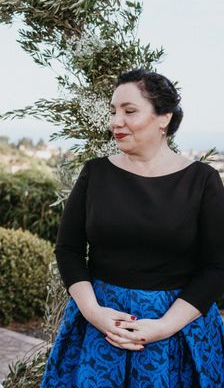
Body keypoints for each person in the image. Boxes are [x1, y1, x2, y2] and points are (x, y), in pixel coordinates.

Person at [41, 69, 224, 387]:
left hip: (176, 334)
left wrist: (164, 326)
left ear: (163, 117)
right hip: (99, 330)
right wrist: (94, 312)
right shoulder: (95, 173)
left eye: (129, 111)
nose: (115, 122)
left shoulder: (202, 180)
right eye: (113, 112)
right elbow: (68, 249)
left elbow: (217, 267)